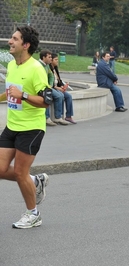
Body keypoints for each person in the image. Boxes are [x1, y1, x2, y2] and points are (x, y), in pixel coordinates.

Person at [0, 26, 50, 229]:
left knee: (20, 173)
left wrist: (25, 96)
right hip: (12, 125)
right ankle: (35, 182)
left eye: (14, 39)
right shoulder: (12, 65)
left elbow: (46, 101)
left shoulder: (36, 68)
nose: (9, 41)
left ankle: (33, 214)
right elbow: (10, 92)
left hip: (32, 128)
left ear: (25, 45)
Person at [38, 49, 69, 126]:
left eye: (51, 57)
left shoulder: (47, 65)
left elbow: (51, 76)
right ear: (43, 57)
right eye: (49, 57)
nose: (50, 59)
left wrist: (50, 85)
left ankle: (58, 117)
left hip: (47, 86)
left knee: (59, 95)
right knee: (47, 96)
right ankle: (46, 118)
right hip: (39, 87)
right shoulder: (38, 65)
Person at [50, 53, 76, 124]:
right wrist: (59, 88)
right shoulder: (49, 69)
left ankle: (68, 116)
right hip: (53, 88)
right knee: (60, 95)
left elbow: (59, 80)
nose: (57, 61)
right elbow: (50, 84)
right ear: (51, 60)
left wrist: (62, 86)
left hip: (57, 87)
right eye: (56, 59)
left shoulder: (55, 68)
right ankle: (58, 116)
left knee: (69, 96)